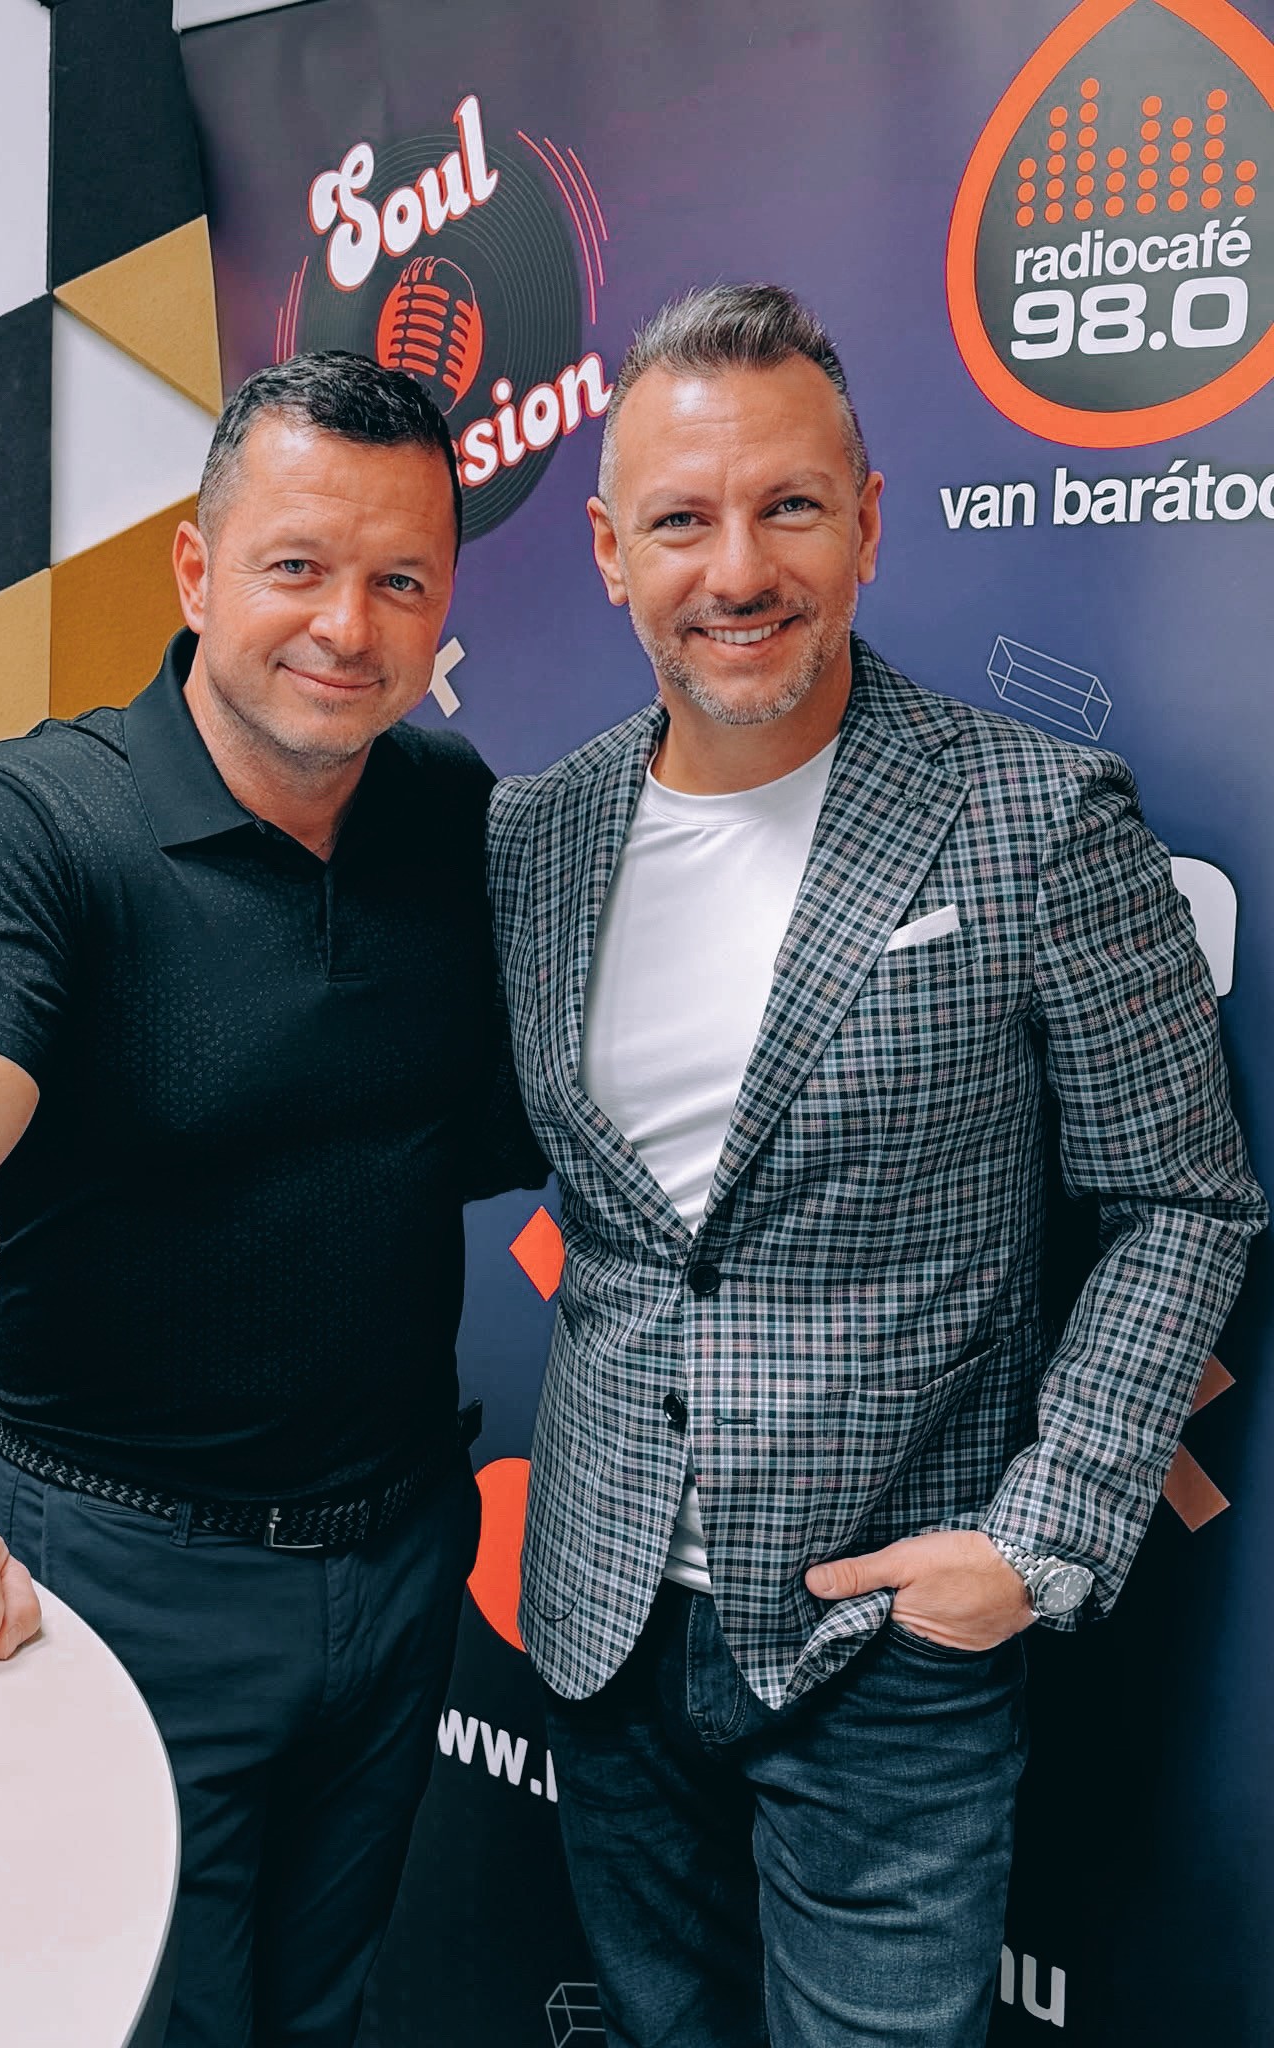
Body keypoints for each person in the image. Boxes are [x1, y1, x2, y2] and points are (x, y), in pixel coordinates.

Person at [486, 284, 1266, 2048]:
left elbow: (1183, 1201)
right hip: (602, 1623)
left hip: (885, 1654)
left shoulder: (1037, 816)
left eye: (790, 506)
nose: (738, 568)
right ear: (608, 553)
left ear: (869, 522)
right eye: (681, 521)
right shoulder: (536, 832)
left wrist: (1040, 1539)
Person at [0, 349, 541, 2048]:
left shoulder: (454, 811)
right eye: (297, 565)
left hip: (400, 1556)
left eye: (400, 581)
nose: (346, 626)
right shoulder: (29, 821)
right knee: (148, 2019)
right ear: (197, 572)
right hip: (121, 1575)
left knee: (321, 2014)